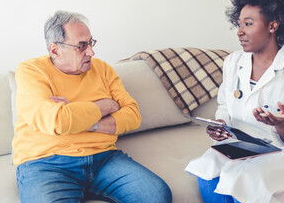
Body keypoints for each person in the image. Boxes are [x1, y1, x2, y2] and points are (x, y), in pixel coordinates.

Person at [185, 0, 284, 203]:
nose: (239, 31)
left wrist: (283, 125)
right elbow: (225, 105)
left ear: (272, 25)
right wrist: (221, 124)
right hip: (243, 142)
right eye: (239, 24)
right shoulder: (233, 62)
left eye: (248, 24)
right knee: (206, 171)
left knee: (245, 181)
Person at [12, 11, 172, 203]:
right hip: (46, 164)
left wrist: (82, 119)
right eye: (81, 46)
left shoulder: (103, 69)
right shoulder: (31, 71)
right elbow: (57, 121)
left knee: (156, 195)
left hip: (104, 159)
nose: (91, 52)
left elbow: (132, 116)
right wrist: (105, 106)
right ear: (55, 50)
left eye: (91, 43)